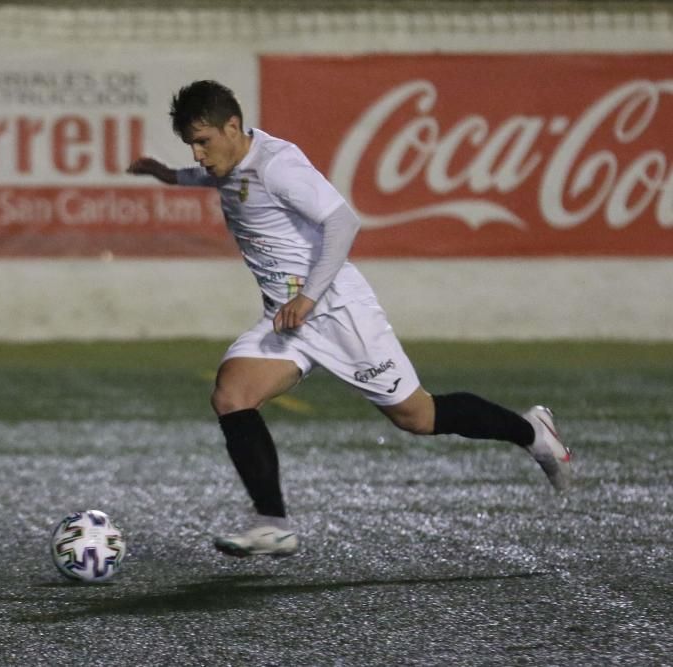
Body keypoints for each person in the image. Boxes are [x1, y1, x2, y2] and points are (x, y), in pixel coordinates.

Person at [127, 80, 572, 558]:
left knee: (418, 416)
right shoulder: (232, 163)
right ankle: (271, 523)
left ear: (232, 126)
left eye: (202, 142)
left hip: (337, 311)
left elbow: (343, 222)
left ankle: (533, 433)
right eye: (190, 145)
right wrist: (169, 176)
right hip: (289, 321)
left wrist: (311, 297)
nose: (197, 155)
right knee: (232, 394)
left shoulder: (280, 165)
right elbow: (217, 179)